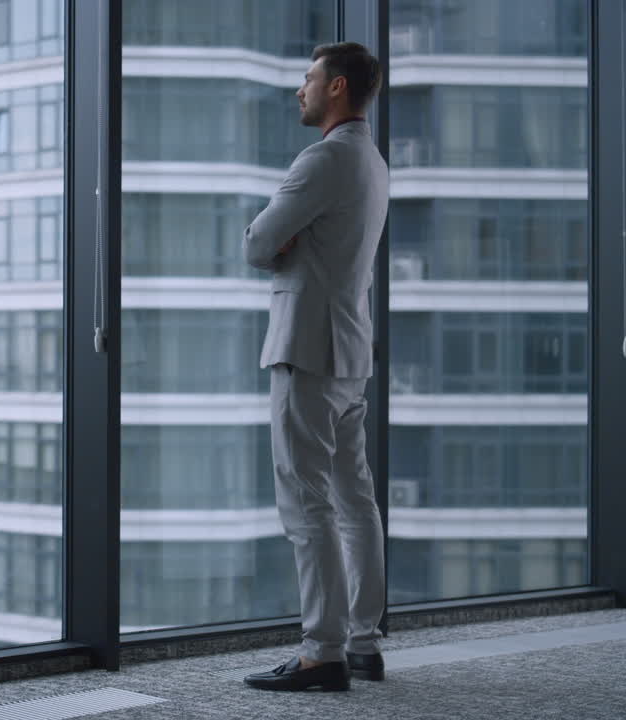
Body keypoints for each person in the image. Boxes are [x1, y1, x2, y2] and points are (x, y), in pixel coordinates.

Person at [241, 41, 389, 692]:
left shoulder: (324, 158)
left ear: (337, 87)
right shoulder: (373, 162)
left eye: (308, 78)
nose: (299, 89)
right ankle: (362, 644)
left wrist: (282, 245)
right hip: (350, 350)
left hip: (306, 347)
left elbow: (256, 242)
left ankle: (321, 652)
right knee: (355, 500)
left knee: (307, 503)